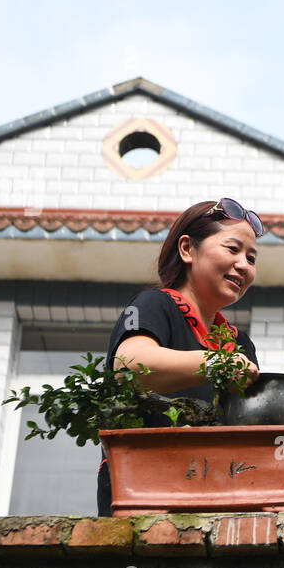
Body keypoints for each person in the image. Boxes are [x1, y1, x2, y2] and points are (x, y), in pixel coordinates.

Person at [96, 198, 263, 516]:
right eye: (233, 249)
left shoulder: (239, 342)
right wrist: (218, 364)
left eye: (251, 257)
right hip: (144, 498)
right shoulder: (154, 305)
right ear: (187, 249)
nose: (244, 264)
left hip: (218, 502)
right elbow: (130, 366)